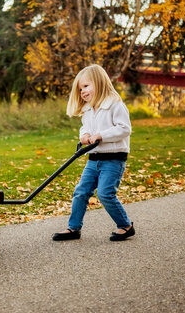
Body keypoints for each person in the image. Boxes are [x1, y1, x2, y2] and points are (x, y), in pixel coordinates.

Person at [52, 64, 135, 242]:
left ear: (99, 82)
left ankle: (126, 226)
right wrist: (85, 135)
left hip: (114, 159)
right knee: (81, 192)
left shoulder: (115, 104)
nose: (83, 91)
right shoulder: (88, 109)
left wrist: (101, 136)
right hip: (94, 159)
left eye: (86, 86)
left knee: (105, 194)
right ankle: (73, 228)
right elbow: (85, 127)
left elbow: (124, 129)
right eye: (81, 88)